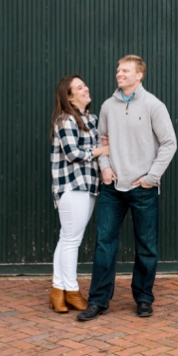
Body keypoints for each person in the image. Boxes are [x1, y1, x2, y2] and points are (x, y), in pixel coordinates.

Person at [78, 55, 177, 321]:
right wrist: (105, 167)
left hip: (143, 189)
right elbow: (102, 141)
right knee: (104, 245)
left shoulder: (154, 105)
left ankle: (143, 298)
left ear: (139, 75)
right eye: (118, 69)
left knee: (146, 246)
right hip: (113, 188)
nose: (119, 74)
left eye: (125, 71)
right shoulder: (108, 106)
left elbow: (169, 143)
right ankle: (98, 300)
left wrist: (151, 178)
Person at [49, 75, 108, 313]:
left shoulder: (90, 119)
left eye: (85, 85)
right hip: (72, 186)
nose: (86, 89)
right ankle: (71, 291)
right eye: (79, 88)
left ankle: (57, 290)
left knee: (67, 238)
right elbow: (73, 153)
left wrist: (101, 148)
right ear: (69, 96)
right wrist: (103, 149)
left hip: (88, 185)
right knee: (72, 240)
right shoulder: (65, 120)